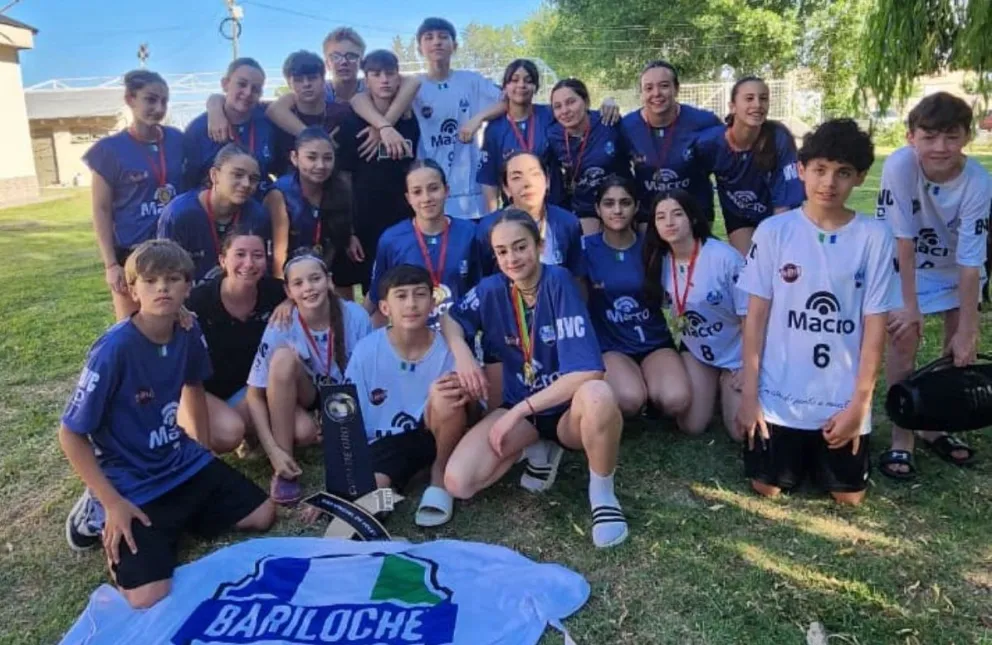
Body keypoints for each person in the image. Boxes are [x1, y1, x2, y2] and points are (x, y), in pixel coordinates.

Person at [59, 239, 275, 608]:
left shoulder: (188, 329)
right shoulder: (113, 350)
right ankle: (94, 511)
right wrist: (113, 502)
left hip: (179, 461)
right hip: (131, 480)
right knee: (147, 596)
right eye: (151, 280)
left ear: (187, 287)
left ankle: (172, 521)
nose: (162, 287)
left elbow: (194, 384)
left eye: (173, 279)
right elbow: (71, 433)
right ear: (133, 289)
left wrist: (204, 450)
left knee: (263, 514)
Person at [440, 210, 628, 548]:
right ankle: (536, 447)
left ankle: (603, 496)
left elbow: (588, 371)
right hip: (524, 410)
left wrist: (516, 413)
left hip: (567, 413)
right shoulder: (491, 289)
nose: (512, 258)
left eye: (520, 247)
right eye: (502, 251)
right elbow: (450, 320)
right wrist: (463, 353)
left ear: (539, 245)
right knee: (458, 482)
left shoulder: (559, 282)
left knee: (598, 394)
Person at [735, 119, 900, 505]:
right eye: (820, 170)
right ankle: (792, 447)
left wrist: (859, 405)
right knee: (768, 487)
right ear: (801, 170)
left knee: (849, 498)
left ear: (859, 178)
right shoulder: (774, 231)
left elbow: (875, 328)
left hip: (838, 400)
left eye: (843, 173)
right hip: (780, 396)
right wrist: (750, 395)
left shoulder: (874, 237)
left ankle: (827, 449)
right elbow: (755, 318)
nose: (829, 183)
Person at [875, 93, 990, 479]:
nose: (940, 147)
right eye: (929, 136)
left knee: (957, 350)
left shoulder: (978, 182)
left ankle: (937, 424)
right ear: (911, 137)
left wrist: (969, 332)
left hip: (956, 265)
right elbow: (902, 241)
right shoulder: (900, 165)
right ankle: (902, 432)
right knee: (904, 334)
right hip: (907, 261)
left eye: (951, 136)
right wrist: (909, 305)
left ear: (966, 137)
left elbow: (972, 262)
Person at [346, 264, 474, 527]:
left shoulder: (449, 348)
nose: (411, 304)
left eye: (420, 294)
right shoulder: (366, 350)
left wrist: (463, 395)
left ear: (433, 301)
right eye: (401, 296)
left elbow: (473, 410)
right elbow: (348, 415)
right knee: (364, 509)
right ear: (384, 308)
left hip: (432, 435)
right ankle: (404, 480)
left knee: (446, 394)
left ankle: (439, 474)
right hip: (385, 442)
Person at [246, 250, 372, 505]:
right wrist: (272, 452)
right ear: (289, 292)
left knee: (305, 432)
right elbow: (254, 394)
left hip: (346, 398)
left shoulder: (355, 316)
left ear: (329, 280)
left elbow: (370, 378)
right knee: (283, 360)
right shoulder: (281, 323)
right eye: (298, 283)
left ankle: (333, 428)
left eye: (315, 279)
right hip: (309, 396)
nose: (308, 288)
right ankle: (284, 467)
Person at [352, 17, 505, 220]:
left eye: (443, 37)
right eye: (429, 38)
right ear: (419, 48)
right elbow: (358, 98)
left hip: (471, 195)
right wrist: (383, 127)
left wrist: (478, 118)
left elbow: (506, 101)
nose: (436, 42)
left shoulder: (471, 81)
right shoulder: (411, 86)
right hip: (429, 196)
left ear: (455, 46)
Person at [584, 177, 690, 420]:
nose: (618, 210)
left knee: (676, 400)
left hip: (653, 341)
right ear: (597, 209)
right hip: (612, 346)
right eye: (609, 203)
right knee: (629, 400)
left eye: (625, 202)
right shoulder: (584, 249)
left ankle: (653, 387)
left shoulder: (654, 248)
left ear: (636, 207)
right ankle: (634, 387)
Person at [643, 189, 747, 437]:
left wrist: (749, 367)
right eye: (661, 217)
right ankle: (713, 386)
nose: (669, 222)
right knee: (692, 425)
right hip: (698, 350)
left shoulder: (724, 258)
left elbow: (752, 317)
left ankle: (726, 382)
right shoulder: (659, 260)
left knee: (739, 432)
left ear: (693, 218)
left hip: (737, 352)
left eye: (677, 214)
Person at [84, 70, 184, 319]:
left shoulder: (178, 140)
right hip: (132, 254)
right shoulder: (109, 150)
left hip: (176, 251)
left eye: (164, 101)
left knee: (178, 325)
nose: (159, 107)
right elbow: (101, 209)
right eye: (151, 99)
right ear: (130, 99)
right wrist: (111, 264)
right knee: (132, 329)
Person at [184, 226, 286, 455]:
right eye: (240, 254)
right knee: (228, 433)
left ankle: (252, 433)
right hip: (204, 392)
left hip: (250, 389)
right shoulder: (198, 302)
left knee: (304, 430)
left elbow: (311, 296)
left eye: (257, 255)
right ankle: (188, 432)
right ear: (222, 260)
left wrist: (289, 303)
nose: (249, 263)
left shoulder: (276, 292)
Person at [336, 49, 420, 297]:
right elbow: (343, 179)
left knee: (404, 288)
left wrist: (384, 126)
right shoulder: (352, 123)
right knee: (363, 290)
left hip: (403, 219)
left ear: (398, 77)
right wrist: (348, 230)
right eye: (376, 74)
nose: (384, 80)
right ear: (366, 79)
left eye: (390, 73)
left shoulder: (409, 117)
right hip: (364, 222)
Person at [694, 76, 804, 254]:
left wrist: (777, 242)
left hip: (775, 213)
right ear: (732, 106)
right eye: (749, 98)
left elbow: (784, 202)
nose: (757, 104)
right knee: (748, 268)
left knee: (778, 262)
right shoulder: (710, 143)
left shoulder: (778, 138)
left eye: (763, 98)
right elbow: (695, 179)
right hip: (739, 217)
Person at [368, 161, 479, 327]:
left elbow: (482, 292)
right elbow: (378, 296)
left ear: (446, 191)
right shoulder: (392, 239)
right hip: (412, 339)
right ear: (408, 198)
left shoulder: (470, 233)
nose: (426, 198)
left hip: (459, 337)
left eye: (433, 188)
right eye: (417, 192)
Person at [620, 60, 721, 223]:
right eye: (649, 88)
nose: (656, 93)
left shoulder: (704, 122)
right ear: (641, 93)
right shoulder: (626, 126)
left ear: (676, 89)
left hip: (694, 215)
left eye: (664, 85)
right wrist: (607, 103)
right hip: (648, 217)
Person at [158, 143, 271, 285]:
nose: (246, 184)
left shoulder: (257, 216)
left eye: (253, 179)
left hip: (240, 296)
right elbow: (163, 273)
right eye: (237, 175)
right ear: (214, 175)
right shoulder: (178, 215)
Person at [263, 127, 355, 284]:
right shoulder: (280, 194)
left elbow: (334, 239)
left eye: (327, 158)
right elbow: (279, 255)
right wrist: (282, 291)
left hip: (316, 272)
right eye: (311, 158)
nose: (320, 165)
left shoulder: (339, 189)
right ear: (294, 158)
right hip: (285, 275)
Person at [477, 151, 585, 278]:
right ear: (506, 189)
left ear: (547, 181)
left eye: (534, 174)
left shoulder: (567, 222)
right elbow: (482, 280)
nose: (527, 183)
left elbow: (578, 278)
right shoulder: (488, 227)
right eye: (517, 177)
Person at [477, 59, 562, 212]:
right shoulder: (495, 128)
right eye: (514, 80)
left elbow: (579, 118)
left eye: (528, 81)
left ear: (536, 87)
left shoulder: (550, 115)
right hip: (515, 214)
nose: (521, 85)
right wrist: (493, 216)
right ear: (505, 87)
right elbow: (489, 179)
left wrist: (608, 105)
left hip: (553, 208)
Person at [548, 79, 630, 235]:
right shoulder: (552, 135)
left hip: (618, 204)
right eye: (557, 106)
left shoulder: (609, 122)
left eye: (571, 102)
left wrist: (610, 99)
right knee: (591, 249)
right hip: (585, 209)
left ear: (586, 102)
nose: (564, 111)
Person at [183, 58, 276, 195]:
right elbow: (189, 183)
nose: (248, 92)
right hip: (216, 212)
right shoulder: (199, 128)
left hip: (259, 209)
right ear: (225, 84)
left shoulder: (268, 121)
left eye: (255, 89)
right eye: (242, 84)